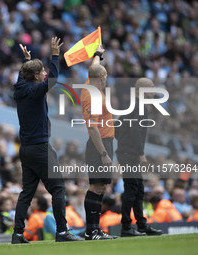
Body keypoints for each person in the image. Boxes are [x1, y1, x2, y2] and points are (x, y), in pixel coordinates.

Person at [12, 37, 82, 244]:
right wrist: (54, 55)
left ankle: (17, 234)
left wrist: (27, 60)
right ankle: (62, 231)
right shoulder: (35, 90)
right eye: (40, 72)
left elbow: (22, 75)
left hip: (26, 149)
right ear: (35, 76)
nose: (44, 73)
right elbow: (53, 78)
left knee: (27, 192)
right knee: (58, 188)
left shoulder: (20, 87)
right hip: (40, 147)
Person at [116, 78, 163, 236]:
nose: (154, 89)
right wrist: (140, 154)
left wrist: (123, 144)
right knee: (132, 190)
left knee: (138, 190)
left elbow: (118, 128)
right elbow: (136, 133)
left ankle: (141, 225)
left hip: (128, 152)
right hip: (131, 154)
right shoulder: (139, 107)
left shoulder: (133, 105)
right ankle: (126, 227)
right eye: (151, 87)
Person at [81, 45, 117, 240]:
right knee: (96, 187)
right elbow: (93, 128)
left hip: (104, 142)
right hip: (99, 144)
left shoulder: (90, 81)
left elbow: (93, 67)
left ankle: (95, 230)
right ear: (103, 78)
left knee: (101, 186)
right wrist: (103, 154)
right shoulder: (92, 97)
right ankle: (91, 230)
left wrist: (97, 54)